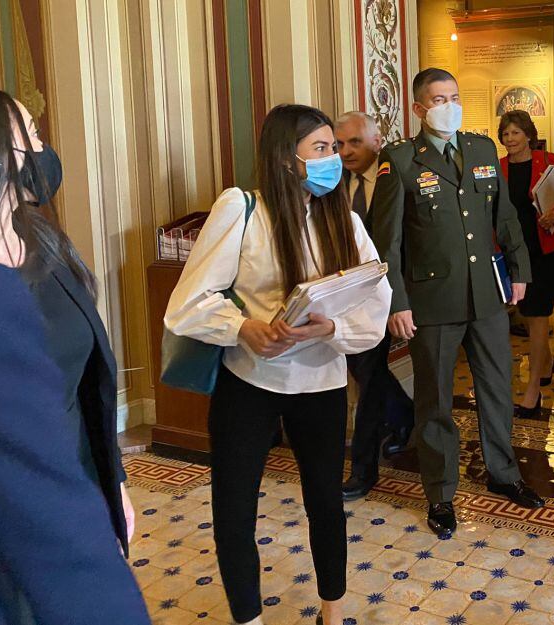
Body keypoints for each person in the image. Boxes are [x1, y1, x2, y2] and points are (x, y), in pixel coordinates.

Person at [165, 104, 391, 625]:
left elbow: (375, 300)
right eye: (321, 149)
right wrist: (244, 328)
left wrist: (330, 327)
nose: (333, 158)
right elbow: (188, 301)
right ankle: (249, 617)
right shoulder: (242, 210)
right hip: (250, 381)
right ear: (286, 158)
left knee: (326, 504)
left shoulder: (346, 220)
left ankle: (332, 610)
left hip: (322, 381)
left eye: (335, 148)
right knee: (235, 509)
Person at [0, 85, 150, 625]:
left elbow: (87, 381)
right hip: (8, 514)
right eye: (30, 133)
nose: (43, 146)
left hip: (74, 475)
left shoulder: (40, 237)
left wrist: (112, 480)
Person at [372, 68, 544, 539]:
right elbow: (384, 242)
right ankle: (440, 493)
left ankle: (504, 474)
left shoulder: (482, 149)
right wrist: (397, 302)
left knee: (497, 387)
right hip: (430, 301)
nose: (448, 104)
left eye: (454, 96)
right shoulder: (402, 160)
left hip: (487, 293)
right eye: (438, 98)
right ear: (418, 108)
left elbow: (504, 215)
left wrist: (520, 270)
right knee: (435, 401)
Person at [333, 111, 416, 501]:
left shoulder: (393, 176)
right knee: (368, 373)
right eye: (340, 144)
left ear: (376, 142)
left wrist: (400, 298)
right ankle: (404, 417)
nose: (346, 151)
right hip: (344, 296)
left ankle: (363, 469)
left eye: (354, 142)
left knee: (367, 380)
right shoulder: (332, 183)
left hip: (386, 295)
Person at [497, 109, 554, 417]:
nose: (510, 139)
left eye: (516, 133)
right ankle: (546, 362)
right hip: (513, 250)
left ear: (529, 135)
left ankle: (533, 387)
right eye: (506, 134)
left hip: (544, 249)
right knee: (525, 313)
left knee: (538, 314)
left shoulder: (548, 162)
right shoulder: (499, 167)